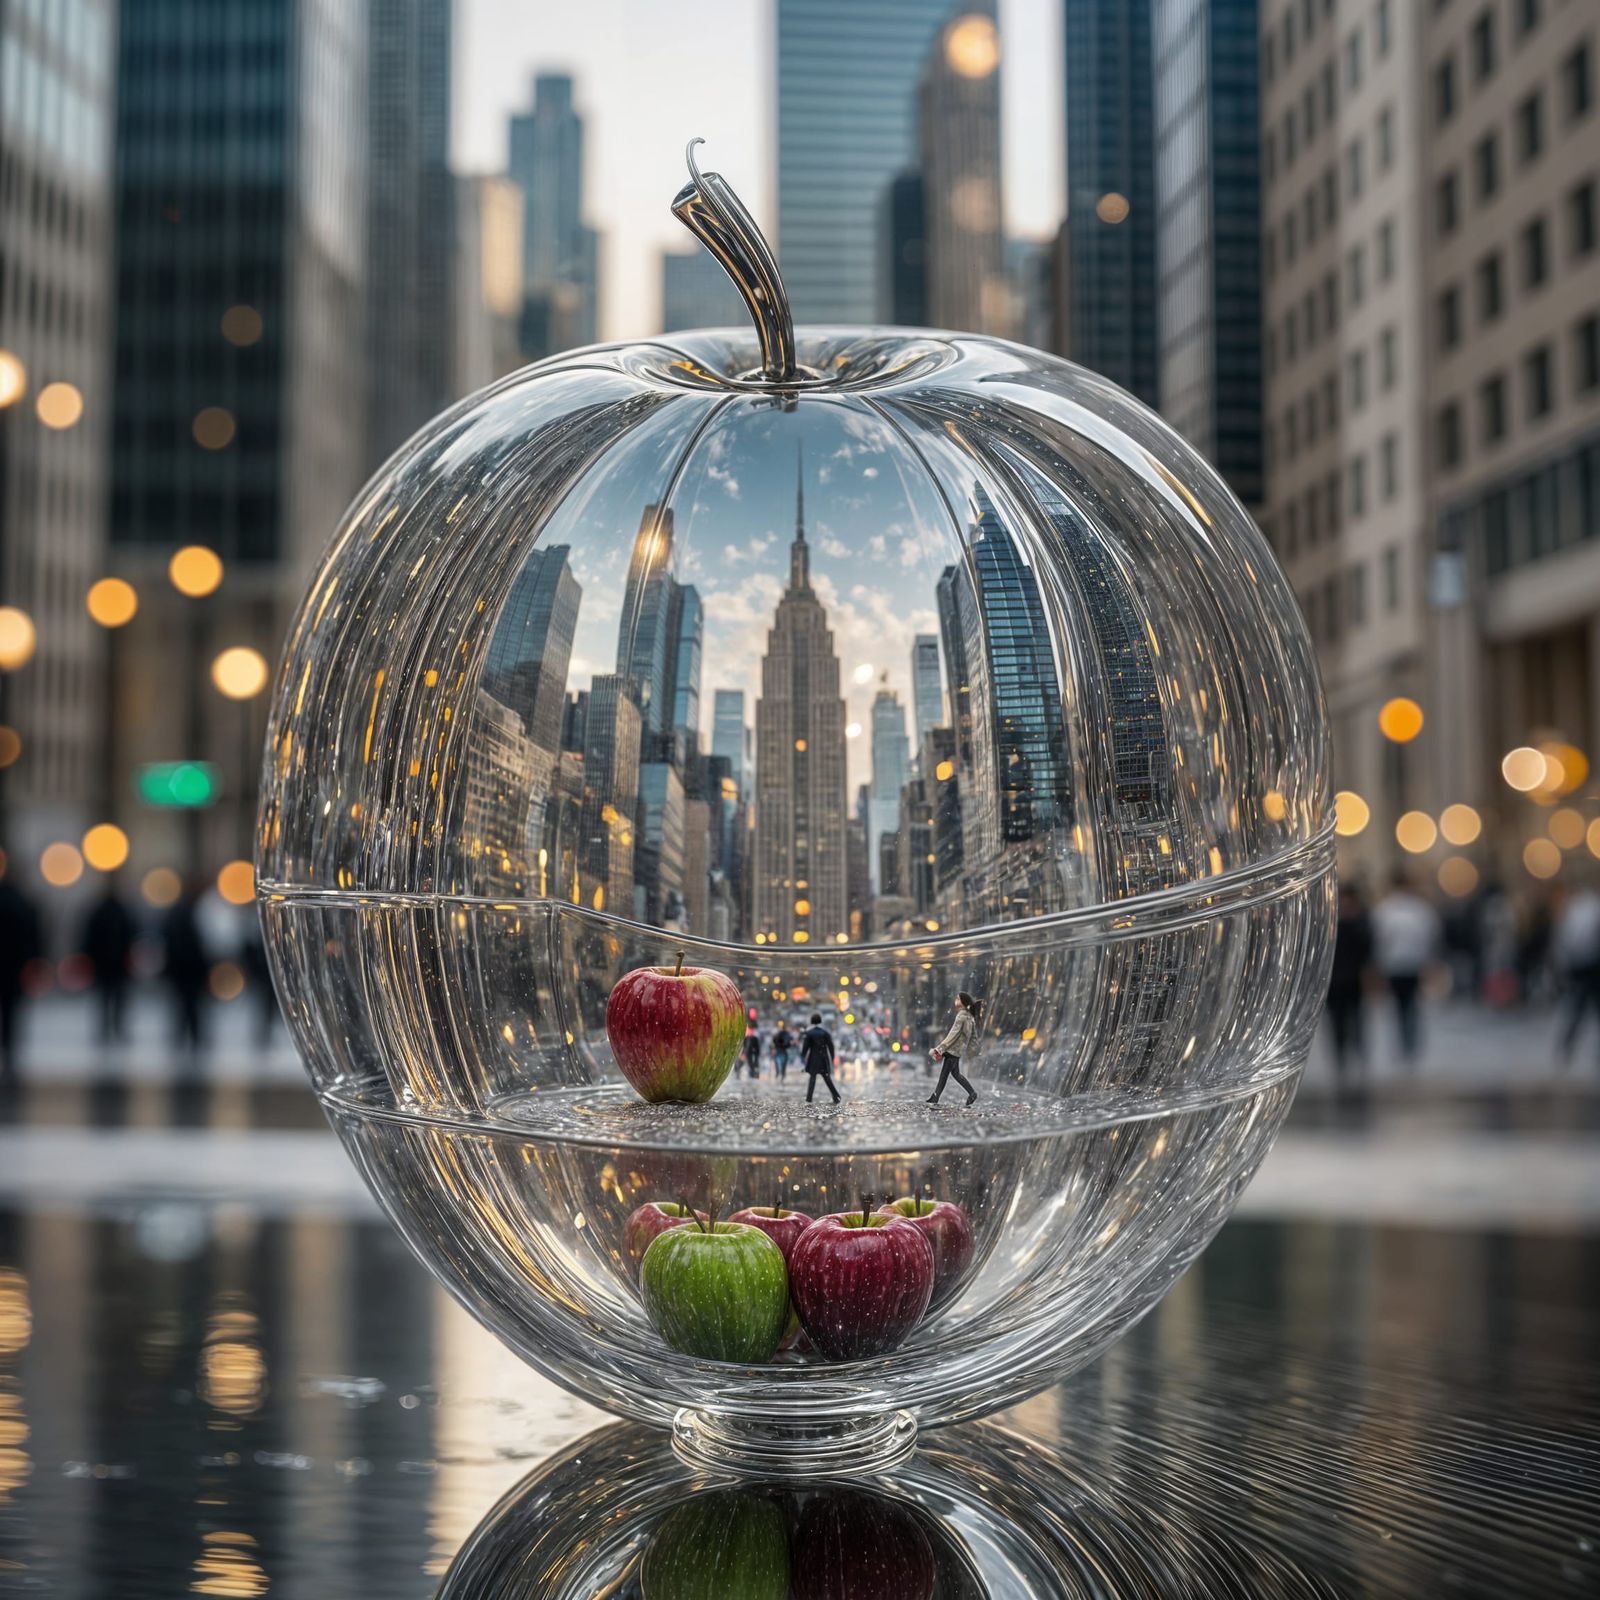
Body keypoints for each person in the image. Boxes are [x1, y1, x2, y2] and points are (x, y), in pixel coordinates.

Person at [1372, 873, 1441, 1066]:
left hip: (1395, 965)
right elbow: (1429, 937)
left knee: (1400, 1006)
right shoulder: (1419, 909)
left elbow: (1379, 940)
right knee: (1410, 1005)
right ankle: (1409, 1043)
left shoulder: (1385, 910)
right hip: (1412, 964)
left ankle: (1405, 1043)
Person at [1326, 884, 1373, 1087]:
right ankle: (1341, 1056)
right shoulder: (1331, 923)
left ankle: (1358, 1054)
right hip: (1335, 982)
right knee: (1337, 1023)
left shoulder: (1360, 923)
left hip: (1353, 981)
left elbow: (1367, 951)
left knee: (1356, 1019)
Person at [82, 879, 138, 1044]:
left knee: (104, 999)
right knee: (117, 999)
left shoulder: (98, 912)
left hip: (104, 964)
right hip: (117, 964)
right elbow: (130, 936)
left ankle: (106, 1030)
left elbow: (89, 938)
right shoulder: (123, 912)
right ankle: (116, 1029)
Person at [0, 868, 41, 1087]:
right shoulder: (22, 904)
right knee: (12, 1012)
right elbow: (32, 935)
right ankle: (10, 1052)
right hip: (15, 967)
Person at [161, 880, 211, 1057]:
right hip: (189, 970)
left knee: (183, 1006)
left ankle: (183, 1038)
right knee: (191, 1006)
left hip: (182, 970)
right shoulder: (193, 914)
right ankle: (193, 1038)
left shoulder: (177, 914)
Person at [1553, 882, 1600, 1065]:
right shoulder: (1592, 908)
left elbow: (1564, 940)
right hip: (1592, 967)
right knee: (1581, 1009)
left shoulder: (1574, 909)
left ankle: (1566, 1048)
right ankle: (1567, 1048)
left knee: (1576, 1010)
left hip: (1580, 967)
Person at [928, 992, 983, 1105]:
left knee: (944, 1075)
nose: (955, 1001)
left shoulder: (961, 1016)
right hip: (957, 1050)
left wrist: (940, 1048)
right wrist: (972, 1049)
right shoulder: (969, 1017)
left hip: (952, 1050)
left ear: (963, 1002)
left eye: (958, 999)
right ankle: (972, 1093)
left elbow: (953, 1035)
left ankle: (935, 1097)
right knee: (956, 1074)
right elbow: (973, 1036)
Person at [801, 1012, 840, 1103]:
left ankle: (809, 1099)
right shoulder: (825, 1033)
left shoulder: (809, 1033)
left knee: (812, 1078)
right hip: (823, 1058)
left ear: (811, 1021)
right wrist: (832, 1057)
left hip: (813, 1059)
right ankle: (836, 1096)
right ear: (820, 1021)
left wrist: (803, 1057)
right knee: (827, 1078)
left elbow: (805, 1048)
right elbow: (831, 1046)